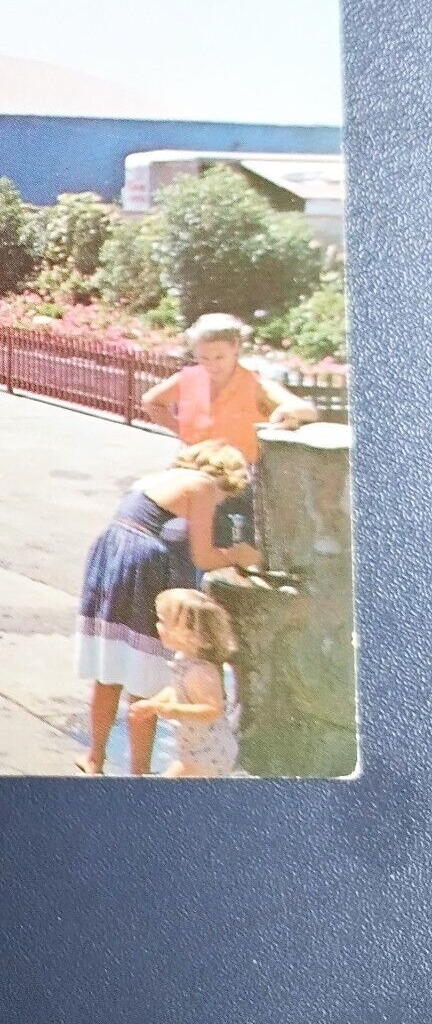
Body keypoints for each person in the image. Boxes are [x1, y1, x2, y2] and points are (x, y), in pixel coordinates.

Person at [74, 441, 260, 776]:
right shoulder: (203, 487)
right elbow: (203, 557)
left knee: (110, 668)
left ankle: (94, 758)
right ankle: (140, 773)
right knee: (143, 673)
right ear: (223, 479)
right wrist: (240, 555)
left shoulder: (159, 479)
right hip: (143, 567)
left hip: (112, 556)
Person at [140, 311, 318, 565]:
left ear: (236, 347)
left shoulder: (254, 384)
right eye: (204, 358)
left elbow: (306, 409)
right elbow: (151, 402)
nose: (211, 364)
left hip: (236, 483)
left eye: (219, 357)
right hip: (193, 475)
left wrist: (284, 413)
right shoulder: (189, 378)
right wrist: (184, 433)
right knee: (185, 544)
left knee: (224, 543)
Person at [131, 588, 241, 777]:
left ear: (190, 633)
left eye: (164, 622)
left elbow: (212, 709)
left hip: (208, 753)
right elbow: (176, 689)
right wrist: (153, 704)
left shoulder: (201, 672)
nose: (158, 626)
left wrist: (175, 710)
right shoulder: (183, 659)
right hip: (194, 750)